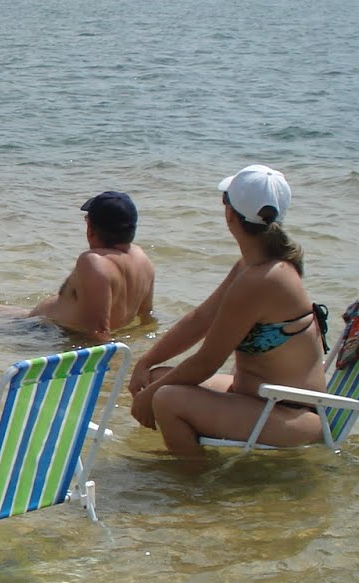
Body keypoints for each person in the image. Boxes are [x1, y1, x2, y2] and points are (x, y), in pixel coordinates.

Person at [128, 165, 328, 455]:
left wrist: (148, 400)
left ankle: (192, 482)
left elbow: (206, 363)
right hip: (259, 399)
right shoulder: (255, 265)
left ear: (230, 214)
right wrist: (144, 363)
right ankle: (188, 468)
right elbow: (201, 319)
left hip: (292, 413)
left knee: (166, 398)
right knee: (156, 378)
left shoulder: (262, 279)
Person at [28, 191, 155, 338]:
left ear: (91, 230)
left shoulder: (94, 262)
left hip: (47, 332)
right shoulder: (143, 259)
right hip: (45, 325)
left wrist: (110, 359)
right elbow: (146, 316)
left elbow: (99, 331)